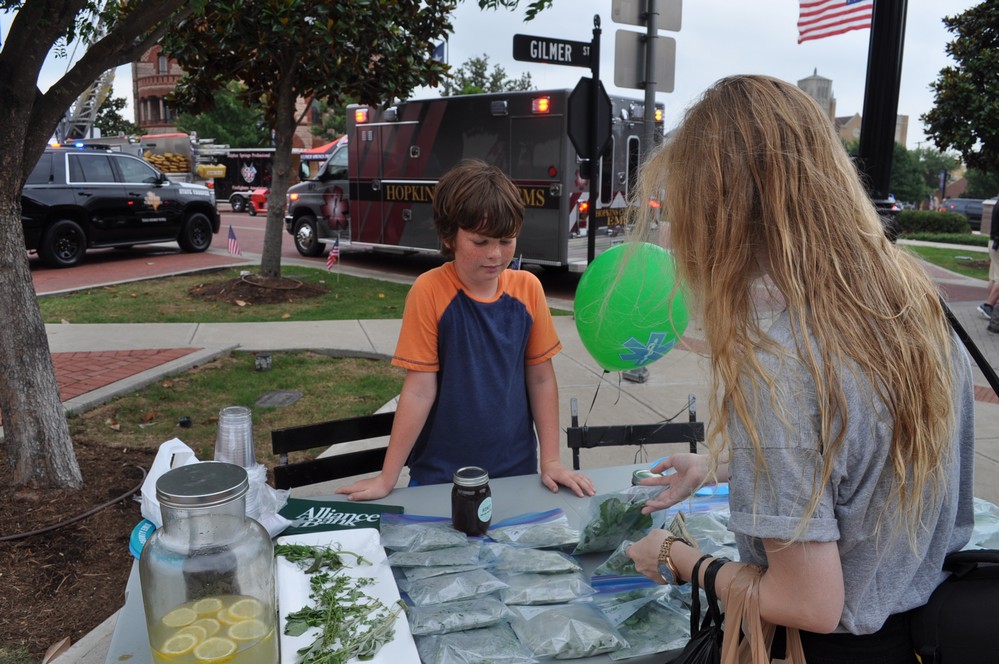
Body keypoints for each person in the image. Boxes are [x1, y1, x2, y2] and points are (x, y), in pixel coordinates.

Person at [625, 75, 975, 664]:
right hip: (920, 638)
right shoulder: (914, 307)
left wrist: (675, 557)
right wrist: (723, 463)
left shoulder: (780, 364)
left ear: (721, 214)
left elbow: (808, 602)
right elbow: (864, 460)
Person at [337, 159, 595, 501]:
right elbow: (418, 391)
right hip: (440, 476)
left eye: (506, 240)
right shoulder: (429, 291)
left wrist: (550, 461)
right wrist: (388, 477)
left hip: (516, 472)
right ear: (449, 236)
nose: (495, 254)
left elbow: (541, 379)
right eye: (481, 241)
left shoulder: (528, 289)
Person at [984, 201, 999, 329]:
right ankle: (988, 305)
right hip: (998, 243)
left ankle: (989, 306)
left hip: (993, 242)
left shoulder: (997, 203)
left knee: (994, 276)